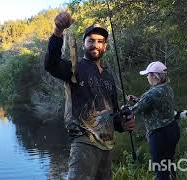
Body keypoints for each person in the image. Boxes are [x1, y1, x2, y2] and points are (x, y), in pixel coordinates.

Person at [44, 11, 135, 180]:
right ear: (83, 43)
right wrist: (57, 31)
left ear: (105, 46)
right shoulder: (75, 68)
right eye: (91, 40)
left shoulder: (108, 76)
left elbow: (113, 116)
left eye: (100, 41)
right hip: (84, 143)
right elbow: (51, 64)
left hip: (107, 147)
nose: (96, 44)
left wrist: (124, 123)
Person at [127, 61, 180, 180]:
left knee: (160, 169)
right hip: (173, 129)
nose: (147, 77)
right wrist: (138, 100)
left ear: (154, 76)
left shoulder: (151, 93)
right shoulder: (167, 88)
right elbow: (153, 104)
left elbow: (134, 110)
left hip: (159, 135)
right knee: (169, 163)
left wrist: (124, 110)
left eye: (148, 75)